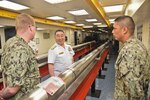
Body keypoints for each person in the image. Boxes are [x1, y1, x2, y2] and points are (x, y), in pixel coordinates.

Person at [0, 13, 40, 100]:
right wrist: (2, 95)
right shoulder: (19, 48)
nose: (35, 30)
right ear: (30, 27)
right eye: (35, 27)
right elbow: (13, 89)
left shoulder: (11, 42)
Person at [112, 15, 150, 100]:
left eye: (114, 28)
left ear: (124, 30)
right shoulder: (139, 45)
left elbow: (135, 92)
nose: (112, 32)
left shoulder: (129, 52)